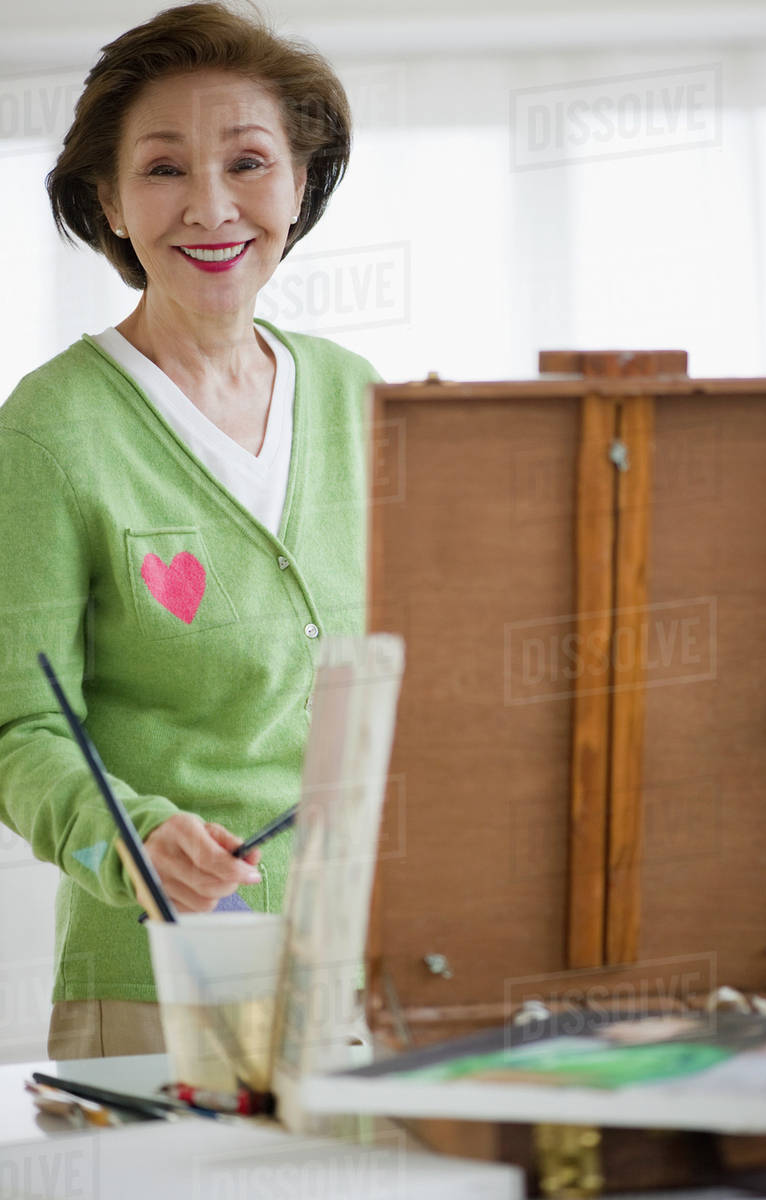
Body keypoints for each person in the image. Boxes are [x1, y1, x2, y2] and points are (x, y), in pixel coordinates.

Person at [0, 1, 379, 1059]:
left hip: (384, 968)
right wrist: (127, 838)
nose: (211, 207)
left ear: (300, 187)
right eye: (164, 169)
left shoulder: (363, 398)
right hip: (164, 978)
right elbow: (17, 732)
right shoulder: (46, 431)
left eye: (249, 163)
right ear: (109, 203)